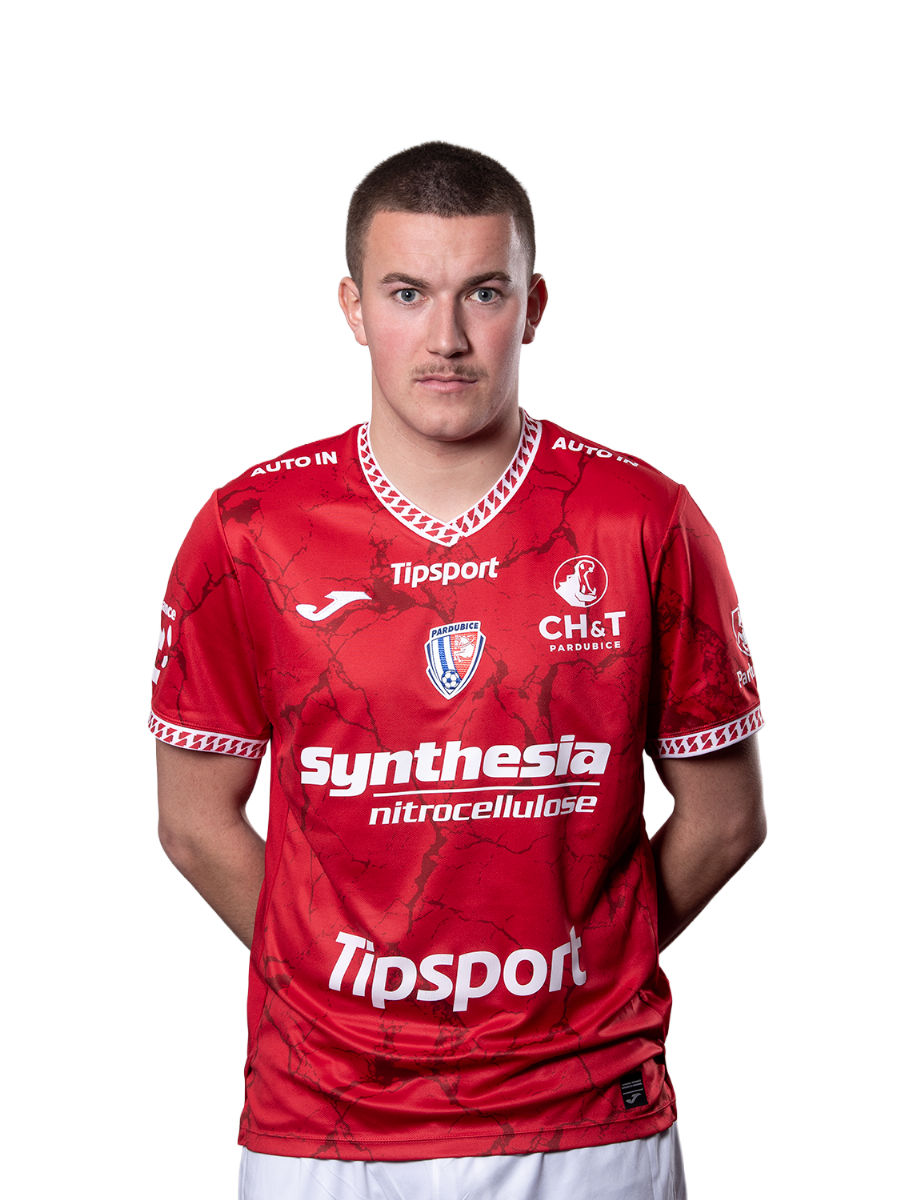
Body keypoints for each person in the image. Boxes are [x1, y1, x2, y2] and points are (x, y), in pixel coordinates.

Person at [151, 141, 766, 1200]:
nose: (446, 337)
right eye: (406, 293)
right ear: (353, 307)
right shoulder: (249, 528)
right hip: (326, 1118)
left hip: (584, 1115)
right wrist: (336, 986)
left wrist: (580, 975)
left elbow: (725, 821)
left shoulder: (641, 520)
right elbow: (193, 823)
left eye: (483, 291)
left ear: (532, 306)